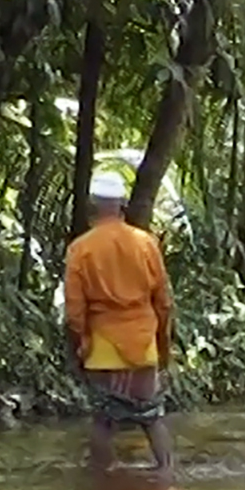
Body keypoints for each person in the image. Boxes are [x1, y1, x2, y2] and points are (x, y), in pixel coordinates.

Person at [64, 171, 174, 471]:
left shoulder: (81, 249)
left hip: (103, 345)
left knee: (103, 419)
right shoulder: (146, 243)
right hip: (143, 340)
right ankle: (166, 474)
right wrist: (163, 344)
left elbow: (74, 310)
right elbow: (163, 301)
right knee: (151, 417)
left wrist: (80, 344)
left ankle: (105, 479)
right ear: (122, 205)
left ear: (92, 205)